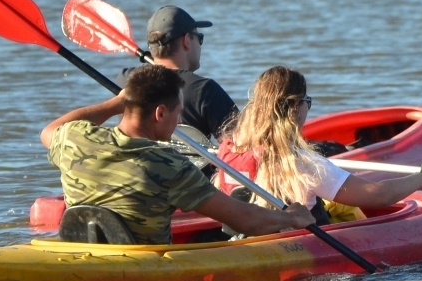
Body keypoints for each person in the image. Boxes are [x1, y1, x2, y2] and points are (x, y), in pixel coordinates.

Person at [41, 64, 316, 244]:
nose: (177, 122)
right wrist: (291, 218)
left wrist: (115, 104)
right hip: (146, 276)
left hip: (80, 256)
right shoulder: (171, 167)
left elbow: (50, 130)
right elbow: (244, 220)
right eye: (177, 113)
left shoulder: (76, 140)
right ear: (160, 113)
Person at [215, 66, 422, 224]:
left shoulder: (229, 150)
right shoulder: (301, 163)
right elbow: (380, 196)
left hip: (249, 238)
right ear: (295, 106)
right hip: (297, 245)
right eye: (307, 102)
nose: (307, 108)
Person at [117, 5, 237, 143]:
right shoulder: (204, 90)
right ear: (187, 40)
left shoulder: (125, 79)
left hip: (137, 162)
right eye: (199, 38)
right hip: (189, 165)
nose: (200, 44)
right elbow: (244, 146)